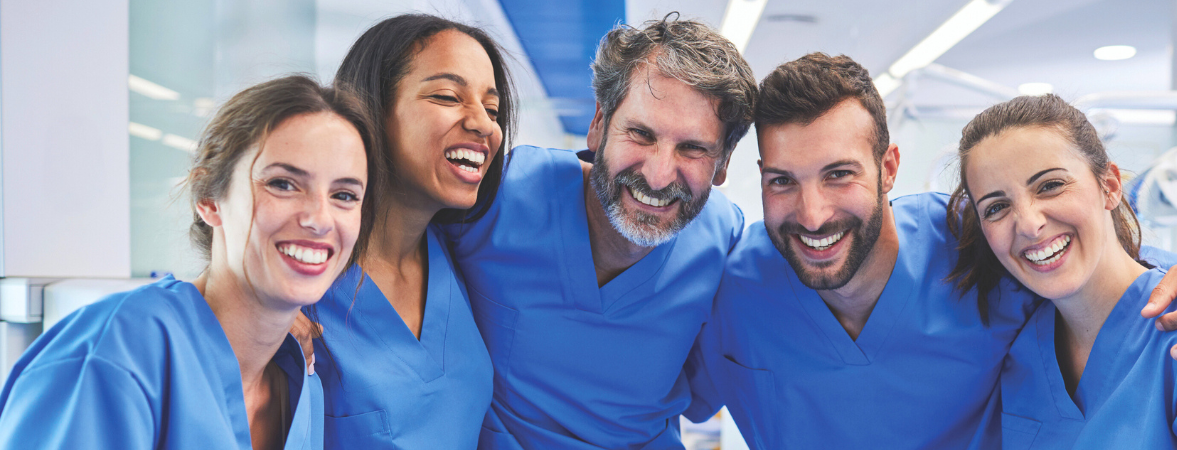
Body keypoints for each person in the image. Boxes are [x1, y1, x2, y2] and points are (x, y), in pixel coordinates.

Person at [687, 53, 1177, 449]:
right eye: (782, 181)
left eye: (840, 173)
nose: (812, 214)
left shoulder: (972, 251)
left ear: (888, 168)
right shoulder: (729, 284)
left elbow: (1106, 267)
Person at [0, 76, 377, 450]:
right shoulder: (115, 354)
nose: (320, 218)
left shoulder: (303, 384)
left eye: (344, 195)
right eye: (282, 184)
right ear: (210, 199)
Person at [442, 16, 756, 449]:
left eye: (693, 148)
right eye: (640, 134)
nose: (660, 175)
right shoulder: (498, 198)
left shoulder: (726, 244)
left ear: (723, 163)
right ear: (599, 124)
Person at [950, 94, 1177, 448]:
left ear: (1109, 186)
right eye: (997, 207)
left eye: (1050, 186)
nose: (1029, 225)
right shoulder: (1020, 352)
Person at [305, 14, 516, 450]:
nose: (483, 124)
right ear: (372, 110)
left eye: (492, 109)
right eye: (447, 96)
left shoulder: (460, 259)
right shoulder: (303, 288)